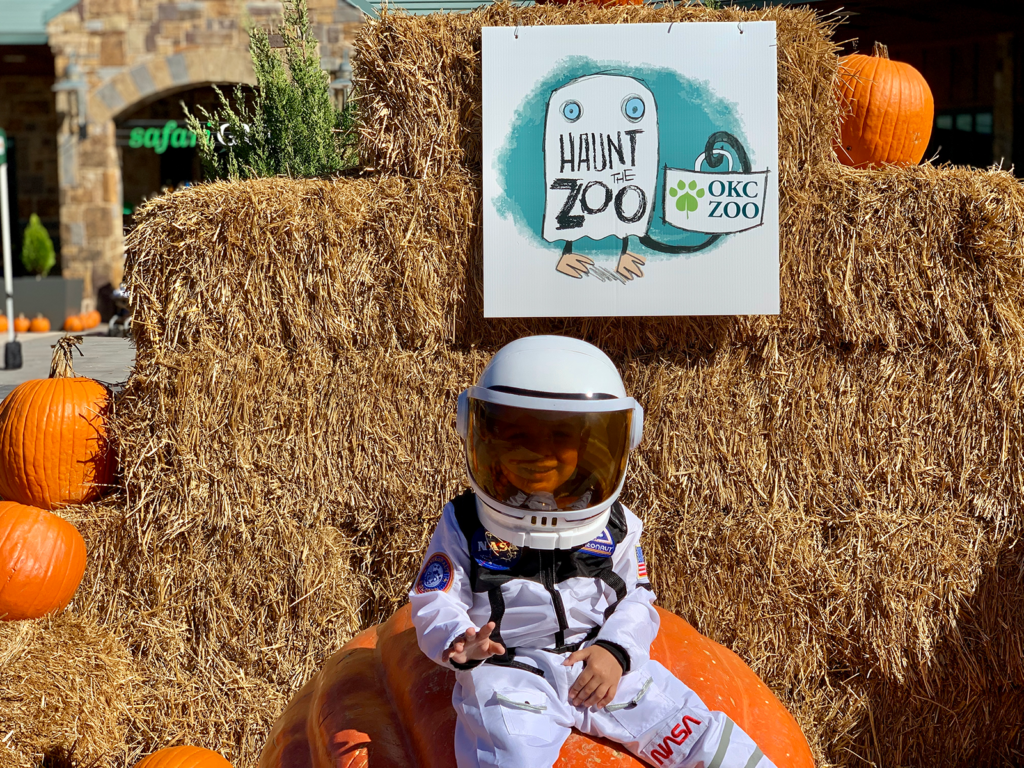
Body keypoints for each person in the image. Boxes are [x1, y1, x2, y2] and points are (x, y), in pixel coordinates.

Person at [410, 336, 775, 768]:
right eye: (517, 436)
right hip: (508, 669)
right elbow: (434, 598)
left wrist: (616, 652)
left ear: (594, 442)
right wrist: (459, 642)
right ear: (480, 432)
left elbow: (637, 599)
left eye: (558, 437)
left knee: (697, 736)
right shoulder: (464, 523)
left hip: (597, 663)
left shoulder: (616, 524)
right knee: (511, 753)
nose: (537, 453)